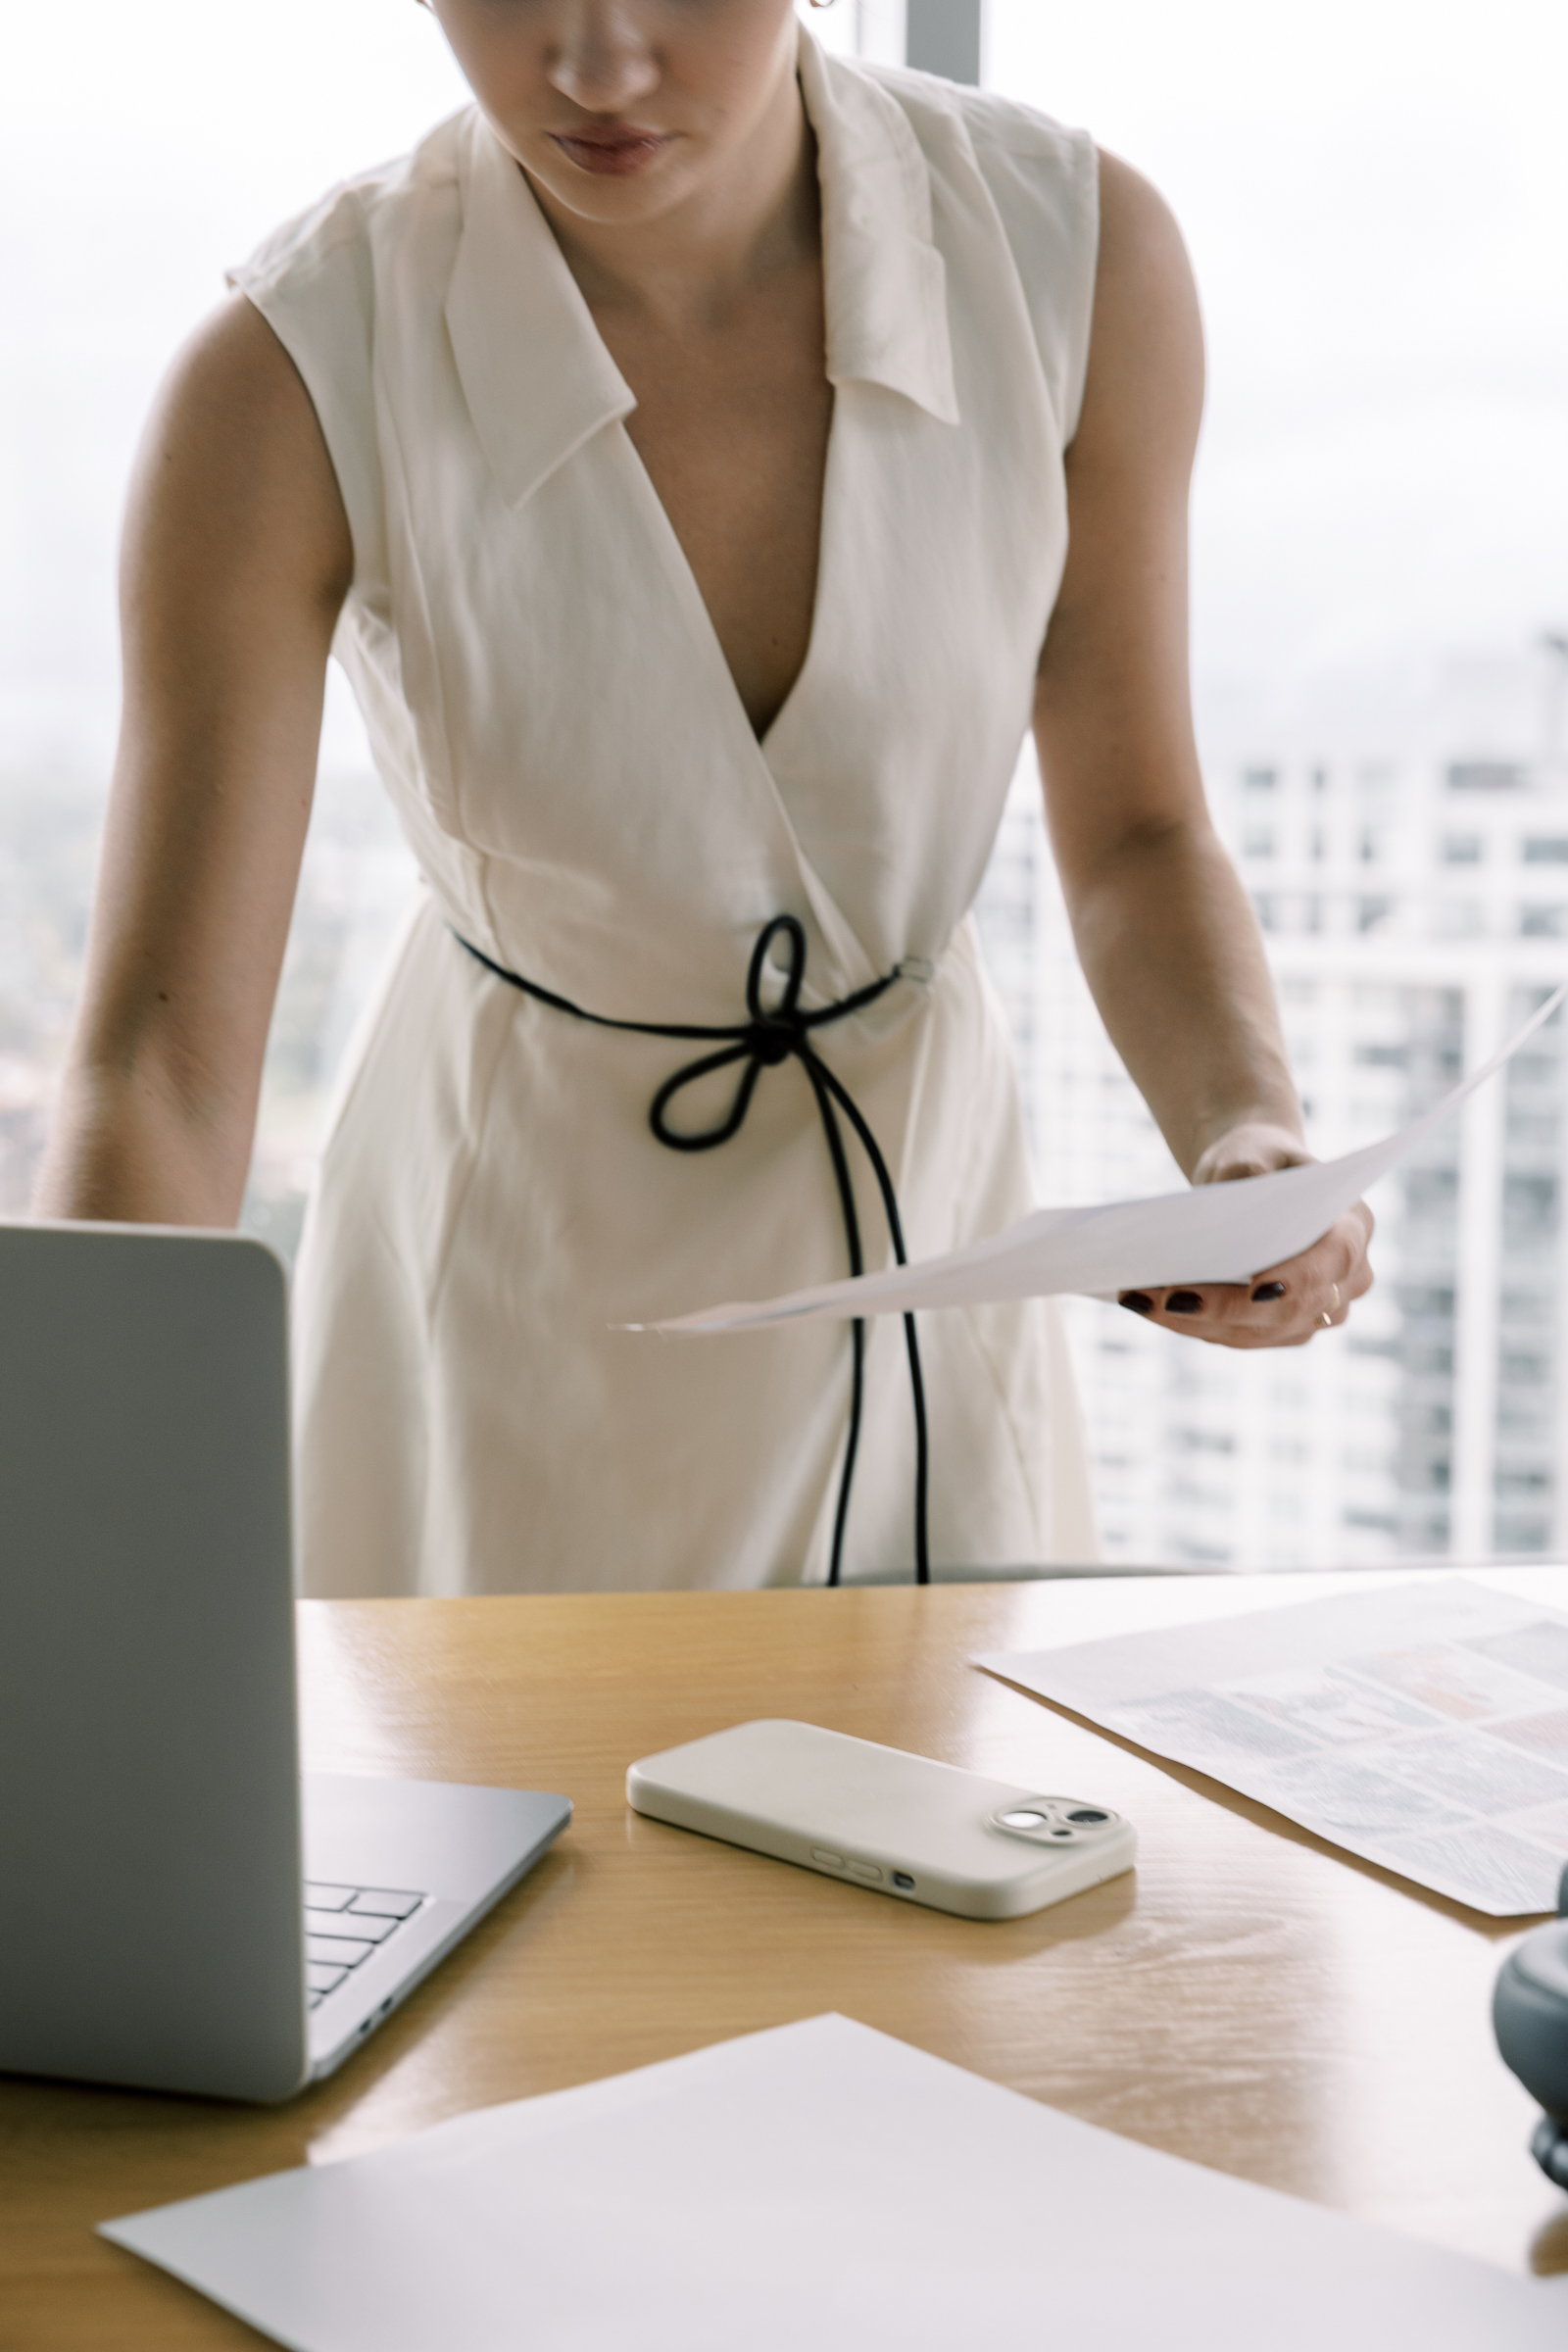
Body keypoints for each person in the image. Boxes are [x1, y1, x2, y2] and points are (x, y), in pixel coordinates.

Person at [35, 0, 1372, 1596]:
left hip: (932, 1266)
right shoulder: (288, 366)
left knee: (954, 1821)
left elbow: (1141, 831)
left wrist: (1246, 1131)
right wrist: (78, 1580)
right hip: (504, 1311)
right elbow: (163, 1071)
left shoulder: (1078, 258)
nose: (597, 65)